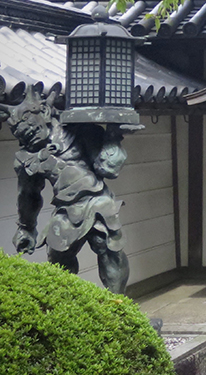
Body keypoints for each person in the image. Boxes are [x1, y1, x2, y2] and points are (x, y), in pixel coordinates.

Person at [2, 86, 130, 294]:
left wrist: (112, 139)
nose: (28, 135)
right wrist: (26, 227)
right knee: (57, 255)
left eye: (31, 127)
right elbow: (29, 195)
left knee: (107, 246)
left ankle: (119, 303)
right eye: (21, 134)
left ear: (44, 112)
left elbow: (106, 169)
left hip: (97, 199)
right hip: (66, 208)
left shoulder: (78, 131)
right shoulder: (28, 157)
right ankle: (67, 303)